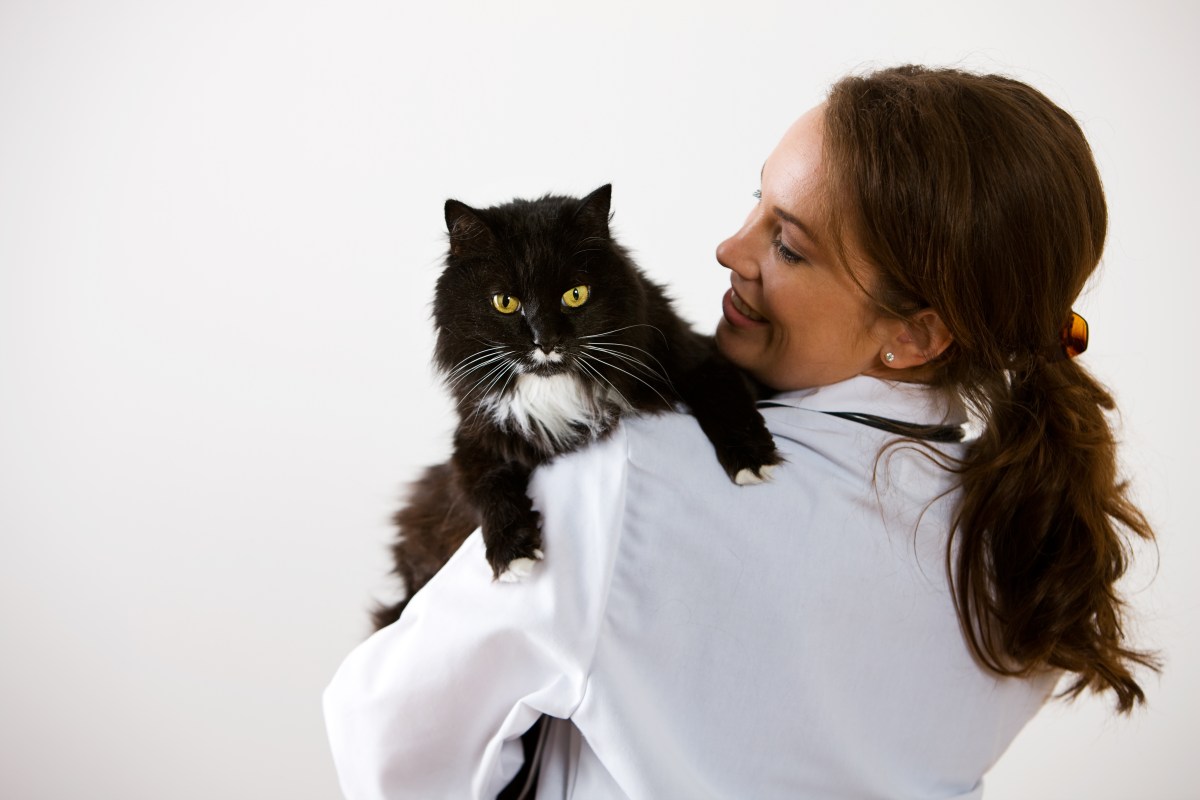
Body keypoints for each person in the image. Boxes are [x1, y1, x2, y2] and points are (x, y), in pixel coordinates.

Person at [323, 65, 1156, 799]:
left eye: (788, 245)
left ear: (916, 335)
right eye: (755, 199)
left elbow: (387, 750)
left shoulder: (624, 484)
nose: (730, 247)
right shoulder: (1032, 542)